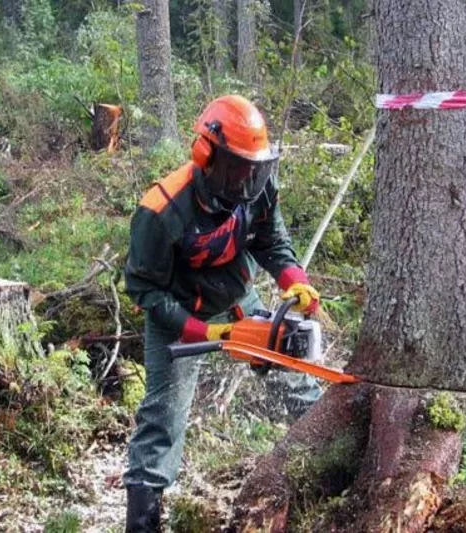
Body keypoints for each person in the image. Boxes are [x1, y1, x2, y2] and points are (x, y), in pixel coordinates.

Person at [123, 95, 322, 532]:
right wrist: (199, 330)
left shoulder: (258, 187)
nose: (247, 180)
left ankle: (330, 462)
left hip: (238, 299)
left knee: (296, 374)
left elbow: (271, 241)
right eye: (237, 168)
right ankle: (143, 522)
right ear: (207, 156)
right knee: (164, 419)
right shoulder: (162, 211)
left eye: (255, 168)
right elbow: (143, 290)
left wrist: (294, 280)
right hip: (178, 315)